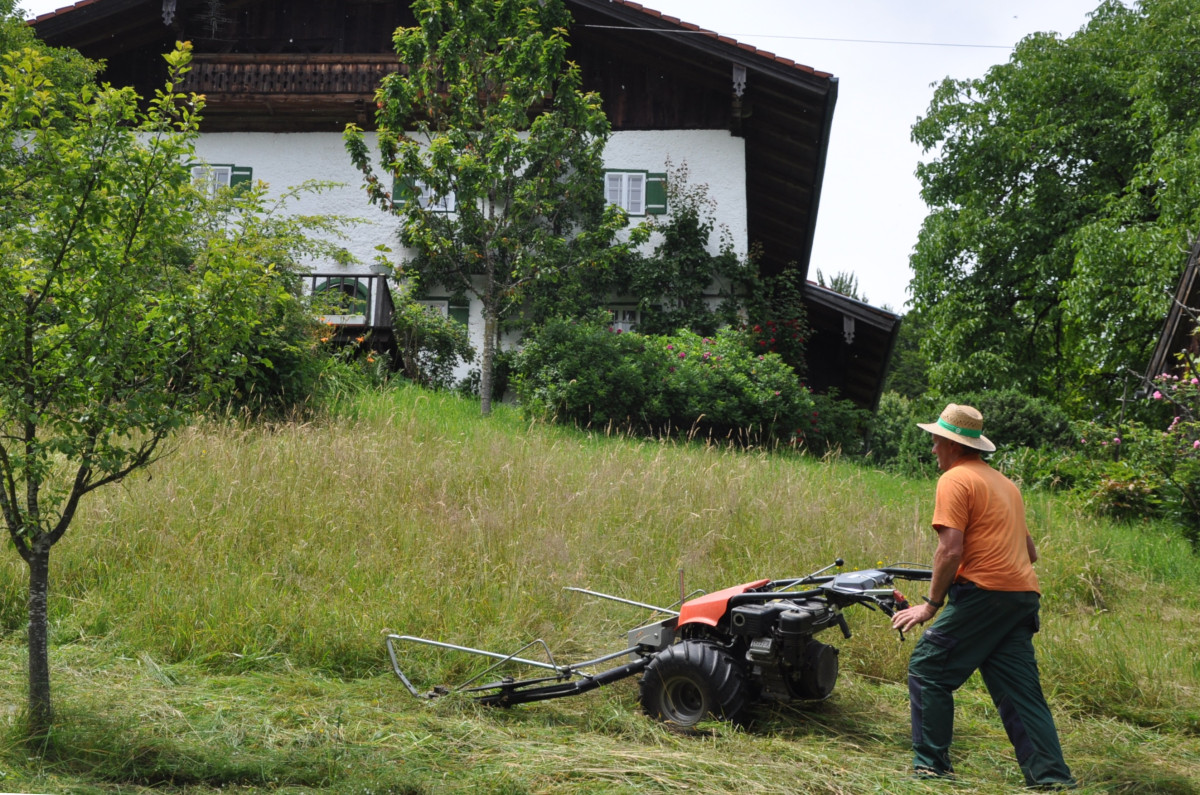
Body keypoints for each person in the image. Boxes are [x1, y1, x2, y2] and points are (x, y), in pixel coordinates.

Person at [891, 403, 1076, 789]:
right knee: (1021, 691)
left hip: (984, 595)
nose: (932, 450)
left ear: (950, 444)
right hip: (1021, 595)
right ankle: (1052, 779)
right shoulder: (1006, 485)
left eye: (935, 442)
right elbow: (1031, 553)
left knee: (928, 669)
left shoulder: (955, 480)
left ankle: (931, 769)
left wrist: (931, 604)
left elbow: (950, 550)